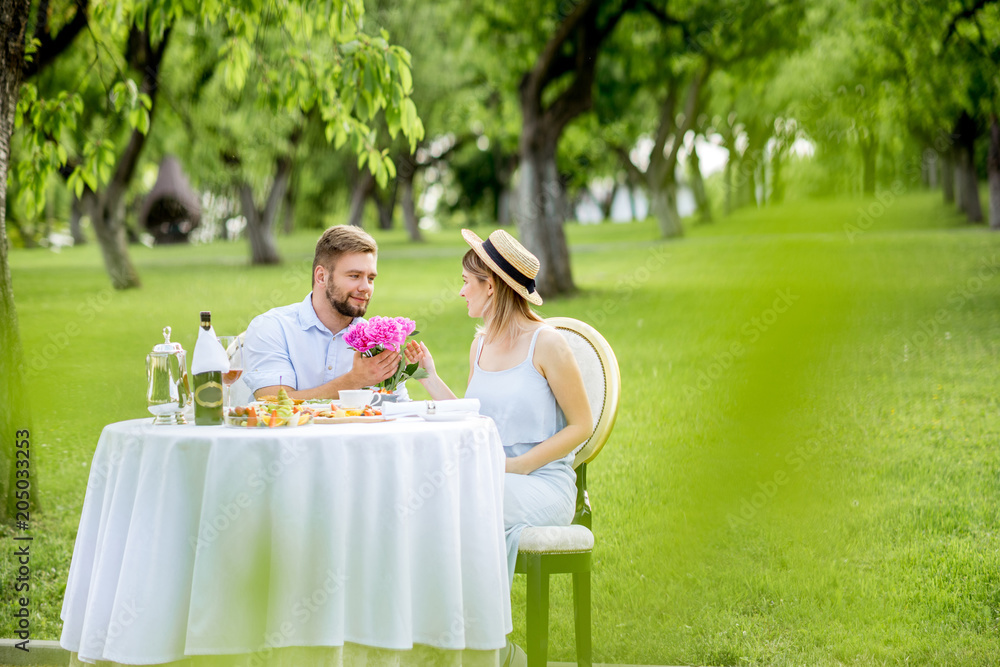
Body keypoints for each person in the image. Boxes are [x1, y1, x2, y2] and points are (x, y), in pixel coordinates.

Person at [405, 229, 593, 589]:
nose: (461, 291)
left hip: (543, 485)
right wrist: (428, 376)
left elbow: (581, 425)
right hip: (490, 476)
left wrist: (519, 465)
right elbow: (475, 420)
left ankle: (484, 639)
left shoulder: (547, 344)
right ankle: (458, 635)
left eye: (466, 282)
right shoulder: (480, 345)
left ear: (490, 286)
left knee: (454, 503)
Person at [241, 225, 404, 400]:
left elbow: (399, 409)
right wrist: (354, 381)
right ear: (321, 277)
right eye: (354, 276)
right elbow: (272, 403)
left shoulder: (377, 341)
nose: (365, 287)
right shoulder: (273, 328)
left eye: (370, 278)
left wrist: (428, 376)